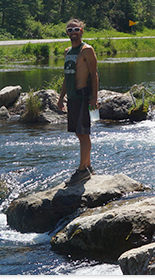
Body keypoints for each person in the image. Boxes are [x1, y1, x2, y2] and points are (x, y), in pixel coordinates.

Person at [56, 18, 99, 186]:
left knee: (83, 132)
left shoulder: (87, 50)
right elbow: (67, 77)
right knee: (78, 133)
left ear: (82, 31)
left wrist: (94, 97)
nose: (73, 32)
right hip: (72, 97)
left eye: (76, 29)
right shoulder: (68, 52)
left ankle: (83, 169)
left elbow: (94, 74)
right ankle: (87, 166)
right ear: (67, 33)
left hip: (82, 95)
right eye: (70, 30)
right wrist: (61, 98)